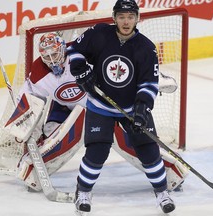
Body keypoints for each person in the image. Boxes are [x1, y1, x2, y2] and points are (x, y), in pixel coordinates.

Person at [66, 0, 176, 214]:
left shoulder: (146, 47)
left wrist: (143, 109)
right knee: (97, 152)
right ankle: (83, 191)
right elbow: (74, 49)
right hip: (100, 105)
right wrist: (80, 69)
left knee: (149, 151)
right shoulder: (99, 33)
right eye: (122, 16)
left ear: (137, 19)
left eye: (130, 17)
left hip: (132, 108)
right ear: (114, 18)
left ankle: (162, 193)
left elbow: (149, 83)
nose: (126, 21)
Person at [13, 32, 88, 191]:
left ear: (62, 49)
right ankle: (36, 170)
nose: (52, 60)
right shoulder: (39, 70)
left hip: (95, 107)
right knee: (51, 134)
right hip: (64, 107)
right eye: (47, 57)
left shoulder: (80, 55)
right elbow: (28, 97)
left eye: (54, 54)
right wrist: (21, 124)